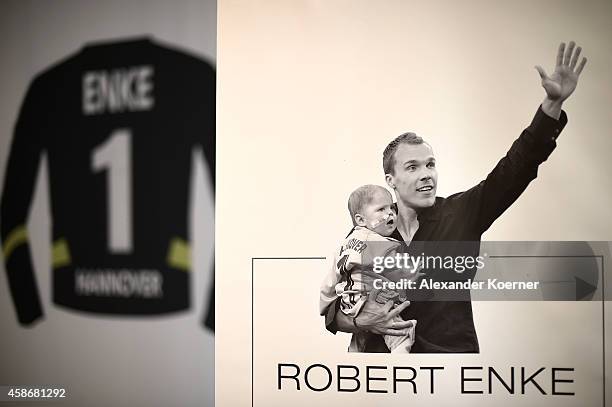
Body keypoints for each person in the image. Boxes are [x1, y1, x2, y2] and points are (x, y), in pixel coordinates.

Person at [322, 41, 588, 353]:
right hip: (384, 375)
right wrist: (361, 323)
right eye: (413, 167)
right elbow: (333, 310)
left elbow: (515, 168)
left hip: (452, 371)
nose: (426, 174)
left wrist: (551, 105)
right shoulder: (367, 230)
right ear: (390, 179)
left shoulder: (463, 213)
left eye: (430, 165)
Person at [320, 184, 421, 353]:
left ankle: (354, 355)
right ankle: (402, 365)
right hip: (374, 300)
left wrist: (324, 304)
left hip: (350, 304)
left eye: (392, 208)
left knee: (359, 341)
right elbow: (400, 268)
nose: (390, 214)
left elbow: (329, 282)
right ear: (360, 220)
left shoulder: (343, 246)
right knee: (401, 336)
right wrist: (413, 272)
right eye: (381, 209)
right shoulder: (375, 241)